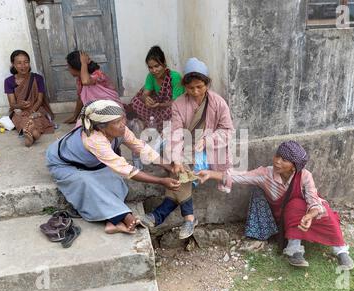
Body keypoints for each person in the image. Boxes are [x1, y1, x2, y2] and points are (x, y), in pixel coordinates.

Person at [196, 141, 354, 270]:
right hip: (284, 215)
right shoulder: (266, 174)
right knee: (293, 206)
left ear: (294, 165)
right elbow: (239, 177)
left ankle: (340, 250)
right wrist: (210, 174)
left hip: (306, 211)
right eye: (277, 156)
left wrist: (310, 215)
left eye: (284, 160)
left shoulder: (305, 176)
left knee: (323, 210)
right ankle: (294, 248)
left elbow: (313, 199)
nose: (278, 161)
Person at [46, 99, 180, 234]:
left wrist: (168, 166)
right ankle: (126, 218)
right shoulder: (94, 139)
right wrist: (161, 181)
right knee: (86, 183)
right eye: (117, 122)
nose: (123, 124)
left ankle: (112, 223)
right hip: (64, 165)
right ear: (101, 127)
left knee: (113, 180)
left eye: (123, 119)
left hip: (91, 164)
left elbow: (141, 147)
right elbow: (128, 170)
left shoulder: (121, 130)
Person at [140, 58, 234, 240]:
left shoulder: (218, 102)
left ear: (207, 83)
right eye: (191, 88)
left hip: (212, 150)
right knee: (180, 168)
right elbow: (176, 134)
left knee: (185, 169)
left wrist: (207, 139)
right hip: (185, 146)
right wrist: (176, 160)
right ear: (185, 86)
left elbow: (228, 131)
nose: (196, 92)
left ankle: (160, 215)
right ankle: (188, 219)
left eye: (200, 86)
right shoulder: (179, 104)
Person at [126, 46, 185, 132]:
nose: (154, 70)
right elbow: (145, 94)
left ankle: (157, 124)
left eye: (157, 66)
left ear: (164, 63)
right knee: (136, 101)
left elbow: (177, 102)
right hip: (158, 105)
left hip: (170, 106)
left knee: (171, 111)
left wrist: (160, 105)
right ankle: (153, 122)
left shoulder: (174, 77)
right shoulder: (151, 76)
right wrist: (146, 99)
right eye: (150, 67)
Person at [4, 50, 55, 147]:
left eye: (26, 62)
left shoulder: (37, 78)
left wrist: (32, 110)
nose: (23, 66)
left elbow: (40, 100)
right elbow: (12, 104)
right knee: (20, 117)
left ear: (29, 62)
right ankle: (34, 132)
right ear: (13, 65)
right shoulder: (8, 81)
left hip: (36, 107)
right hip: (19, 109)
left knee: (36, 116)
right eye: (19, 63)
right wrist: (20, 105)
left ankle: (30, 132)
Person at [64, 51, 122, 124]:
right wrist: (75, 116)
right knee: (82, 123)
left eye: (69, 67)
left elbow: (86, 81)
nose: (68, 69)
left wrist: (83, 63)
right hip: (98, 111)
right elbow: (80, 98)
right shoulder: (79, 79)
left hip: (112, 111)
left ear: (77, 68)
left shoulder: (97, 74)